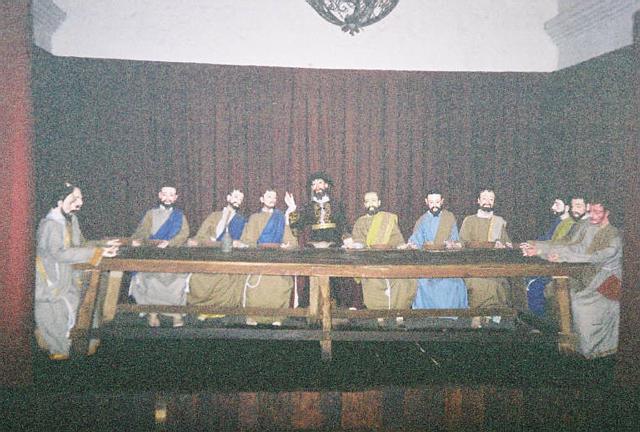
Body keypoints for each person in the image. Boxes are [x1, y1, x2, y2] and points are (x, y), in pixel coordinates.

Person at [523, 199, 621, 359]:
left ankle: (595, 350)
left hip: (608, 280)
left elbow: (593, 257)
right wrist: (541, 249)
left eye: (597, 212)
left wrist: (560, 255)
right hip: (591, 275)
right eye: (591, 211)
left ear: (607, 213)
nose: (593, 215)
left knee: (578, 302)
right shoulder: (589, 228)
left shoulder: (614, 236)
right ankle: (581, 347)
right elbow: (574, 247)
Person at [35, 182, 119, 360]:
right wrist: (97, 252)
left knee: (93, 292)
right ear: (59, 202)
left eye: (80, 198)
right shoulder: (50, 224)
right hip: (54, 279)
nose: (79, 203)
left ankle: (82, 345)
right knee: (58, 311)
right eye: (74, 199)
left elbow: (80, 245)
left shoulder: (71, 219)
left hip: (71, 274)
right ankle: (60, 350)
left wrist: (103, 247)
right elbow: (58, 253)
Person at [285, 171, 356, 308]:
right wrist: (292, 208)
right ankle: (309, 308)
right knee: (309, 276)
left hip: (333, 243)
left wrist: (347, 238)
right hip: (314, 245)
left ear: (326, 185)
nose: (317, 186)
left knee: (337, 277)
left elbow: (343, 223)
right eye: (314, 184)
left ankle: (340, 309)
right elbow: (297, 225)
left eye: (320, 183)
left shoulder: (336, 204)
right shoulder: (307, 206)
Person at [345, 192, 416, 317]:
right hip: (369, 261)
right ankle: (378, 313)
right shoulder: (360, 222)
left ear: (379, 203)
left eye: (373, 201)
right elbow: (359, 243)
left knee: (403, 279)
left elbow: (398, 241)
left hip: (389, 260)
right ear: (364, 204)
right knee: (372, 280)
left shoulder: (388, 220)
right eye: (368, 201)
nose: (371, 204)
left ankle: (398, 313)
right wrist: (354, 245)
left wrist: (403, 246)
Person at [129, 185, 190, 327]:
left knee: (177, 280)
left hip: (172, 255)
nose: (168, 198)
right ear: (160, 196)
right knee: (150, 278)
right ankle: (153, 313)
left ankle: (176, 314)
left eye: (171, 195)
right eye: (165, 194)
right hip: (153, 254)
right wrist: (138, 240)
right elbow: (143, 231)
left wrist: (170, 243)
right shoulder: (151, 213)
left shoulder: (179, 215)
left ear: (175, 198)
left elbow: (184, 234)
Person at [236, 189, 297, 325]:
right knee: (255, 282)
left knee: (280, 282)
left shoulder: (280, 217)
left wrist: (287, 245)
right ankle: (253, 316)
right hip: (259, 257)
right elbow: (248, 241)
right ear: (261, 199)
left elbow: (291, 240)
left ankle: (277, 317)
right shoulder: (254, 218)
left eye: (274, 197)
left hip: (277, 258)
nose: (272, 199)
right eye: (269, 196)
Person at [187, 189, 246, 319]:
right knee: (199, 277)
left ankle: (219, 310)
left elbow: (243, 240)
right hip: (209, 254)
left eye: (240, 199)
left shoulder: (240, 220)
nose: (237, 200)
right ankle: (202, 308)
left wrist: (238, 243)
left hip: (228, 256)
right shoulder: (214, 216)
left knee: (226, 277)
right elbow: (201, 235)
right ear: (228, 197)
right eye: (235, 197)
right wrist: (204, 241)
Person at [404, 191, 468, 310]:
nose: (435, 205)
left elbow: (455, 239)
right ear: (426, 202)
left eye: (437, 202)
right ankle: (426, 316)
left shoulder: (449, 217)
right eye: (431, 202)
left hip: (446, 262)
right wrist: (412, 245)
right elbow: (415, 241)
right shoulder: (422, 220)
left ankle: (451, 316)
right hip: (427, 263)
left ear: (442, 202)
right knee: (422, 283)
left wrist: (451, 244)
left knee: (454, 283)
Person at [459, 188, 512, 327]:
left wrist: (502, 246)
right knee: (479, 284)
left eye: (491, 199)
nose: (487, 202)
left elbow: (508, 245)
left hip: (494, 267)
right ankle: (476, 316)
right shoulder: (469, 221)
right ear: (478, 201)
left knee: (498, 283)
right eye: (484, 199)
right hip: (472, 267)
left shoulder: (498, 222)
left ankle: (491, 318)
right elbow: (462, 243)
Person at [520, 196, 574, 316]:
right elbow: (545, 239)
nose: (553, 207)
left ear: (567, 207)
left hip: (559, 267)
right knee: (522, 279)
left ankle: (540, 321)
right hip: (548, 263)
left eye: (557, 204)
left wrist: (536, 249)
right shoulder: (558, 222)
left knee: (533, 285)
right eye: (553, 204)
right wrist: (530, 244)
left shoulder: (570, 224)